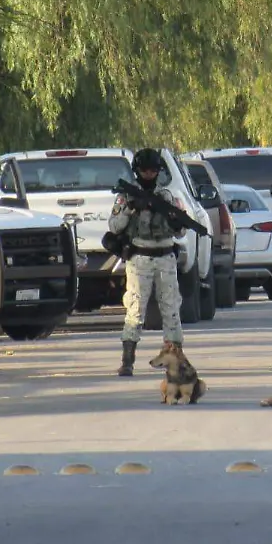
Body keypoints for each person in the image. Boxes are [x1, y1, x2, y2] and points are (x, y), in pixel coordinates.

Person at [109, 148, 188, 377]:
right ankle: (127, 361)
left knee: (171, 309)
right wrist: (132, 208)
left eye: (153, 170)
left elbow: (181, 232)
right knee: (135, 309)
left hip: (165, 256)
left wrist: (174, 219)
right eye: (145, 170)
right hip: (140, 257)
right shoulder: (126, 197)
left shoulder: (166, 196)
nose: (149, 174)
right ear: (137, 170)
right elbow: (114, 226)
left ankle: (176, 358)